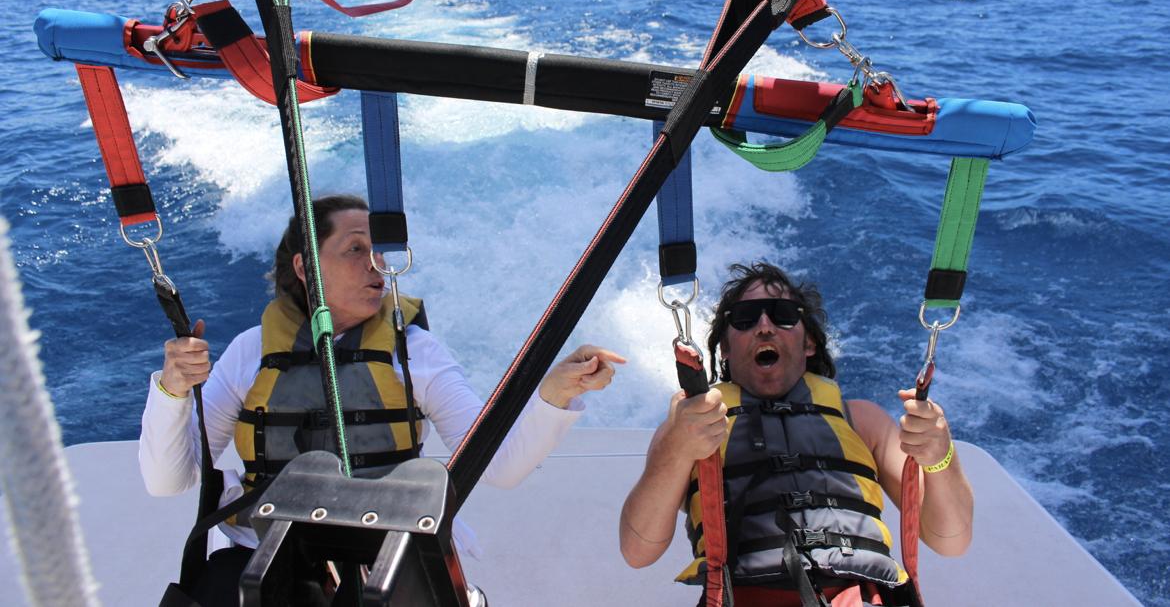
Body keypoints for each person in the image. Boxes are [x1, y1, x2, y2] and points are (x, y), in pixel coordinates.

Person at [140, 194, 625, 603]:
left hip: (385, 554)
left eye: (378, 251)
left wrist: (555, 393)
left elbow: (497, 466)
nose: (376, 265)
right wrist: (174, 391)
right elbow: (168, 482)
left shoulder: (413, 353)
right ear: (305, 266)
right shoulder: (252, 352)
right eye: (355, 249)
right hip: (268, 557)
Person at [619, 262, 973, 606]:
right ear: (725, 349)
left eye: (783, 314)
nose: (764, 326)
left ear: (809, 344)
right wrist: (678, 449)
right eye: (745, 318)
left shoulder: (862, 421)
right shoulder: (687, 426)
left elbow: (951, 540)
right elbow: (638, 551)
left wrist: (941, 456)